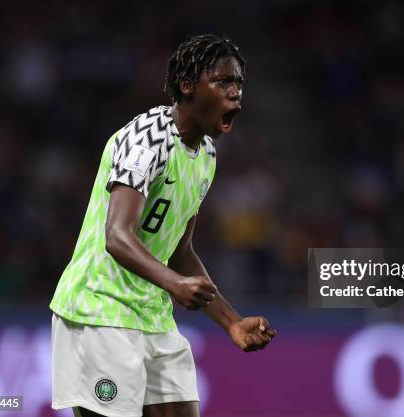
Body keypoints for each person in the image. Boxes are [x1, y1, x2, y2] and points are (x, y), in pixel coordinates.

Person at [49, 34, 277, 417]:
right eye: (223, 81)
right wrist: (175, 285)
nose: (235, 92)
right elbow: (117, 237)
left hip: (151, 315)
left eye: (238, 83)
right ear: (187, 85)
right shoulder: (146, 139)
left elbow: (180, 253)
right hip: (98, 312)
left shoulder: (205, 155)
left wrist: (232, 323)